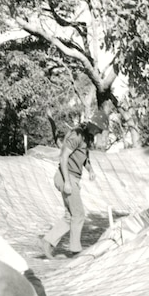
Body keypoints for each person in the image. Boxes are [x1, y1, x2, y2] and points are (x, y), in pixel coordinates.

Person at [40, 110, 107, 259]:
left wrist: (90, 170)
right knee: (79, 214)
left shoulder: (87, 137)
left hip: (72, 177)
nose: (98, 132)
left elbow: (84, 159)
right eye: (98, 129)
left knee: (70, 216)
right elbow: (63, 157)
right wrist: (68, 182)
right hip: (65, 176)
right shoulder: (76, 134)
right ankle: (76, 251)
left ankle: (47, 242)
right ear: (93, 123)